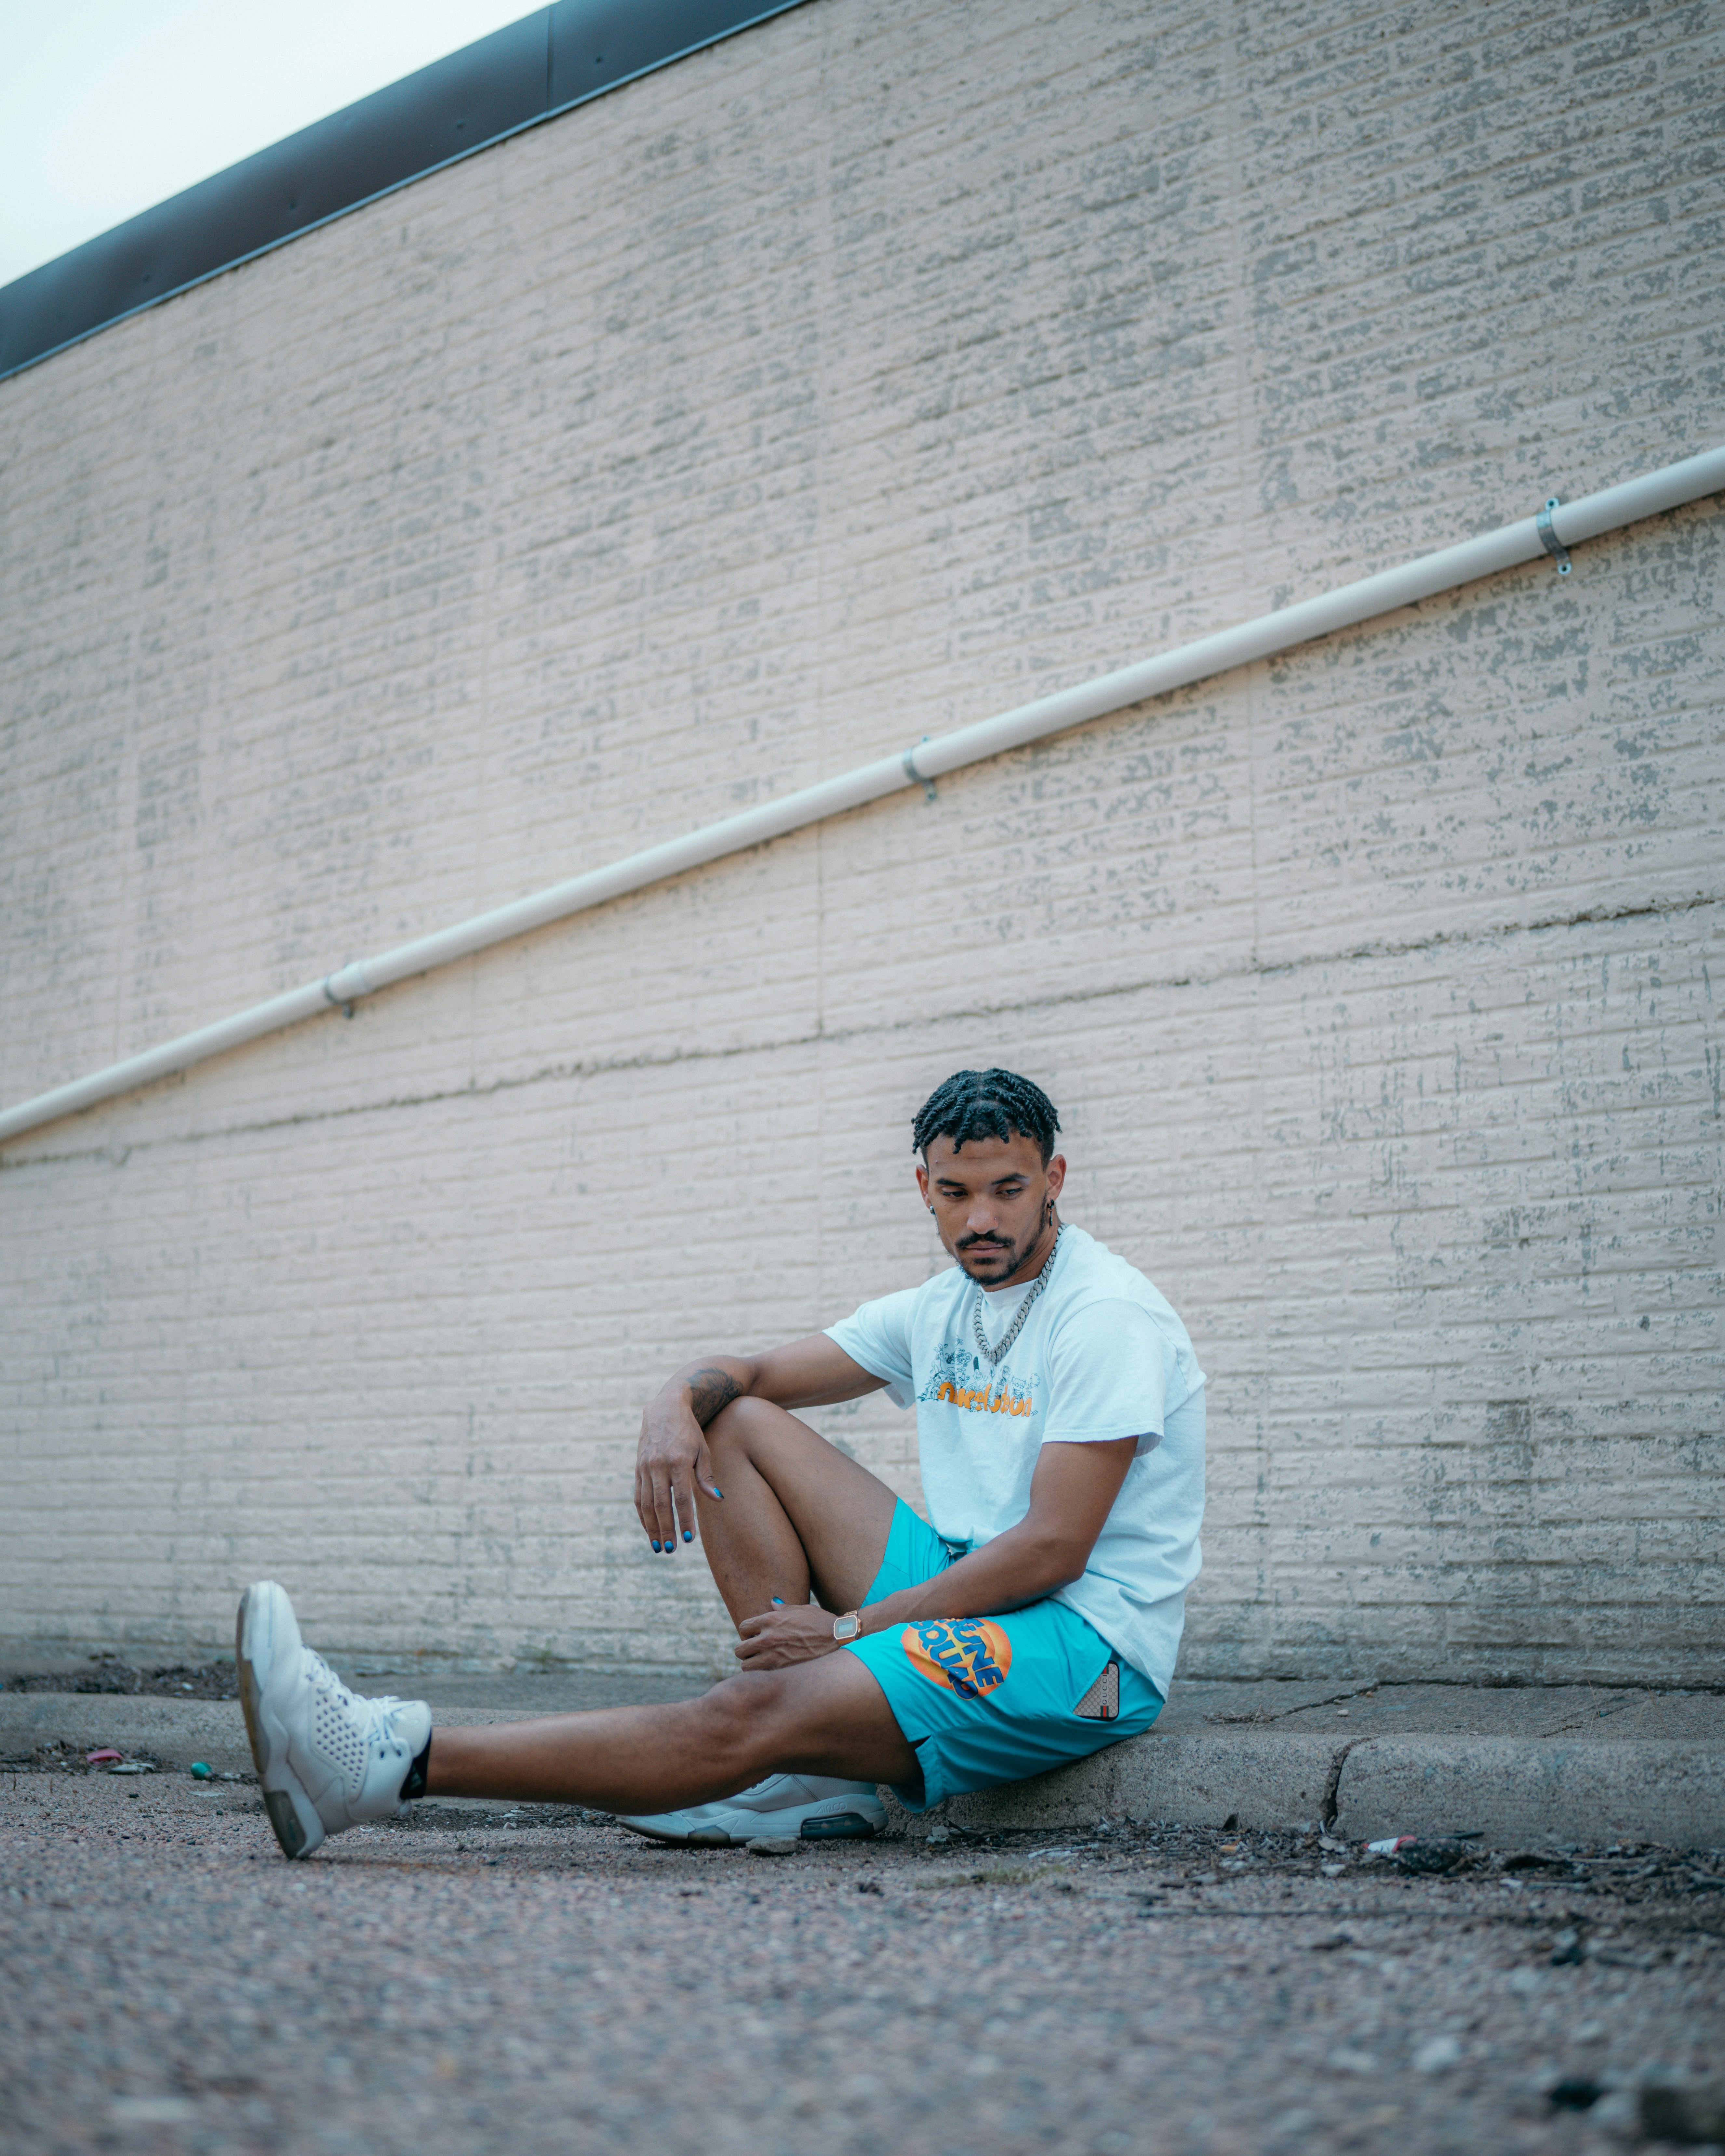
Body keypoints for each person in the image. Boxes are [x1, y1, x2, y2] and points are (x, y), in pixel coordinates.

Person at [236, 1069, 1206, 1859]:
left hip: (1084, 1647)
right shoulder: (939, 1308)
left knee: (750, 1709)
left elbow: (1053, 1550)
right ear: (924, 1189)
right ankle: (816, 1774)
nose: (980, 1220)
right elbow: (751, 1375)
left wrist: (847, 1631)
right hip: (969, 1583)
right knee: (735, 1419)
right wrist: (671, 1403)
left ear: (1056, 1180)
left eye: (1009, 1189)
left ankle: (379, 1761)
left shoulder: (1104, 1315)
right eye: (955, 1194)